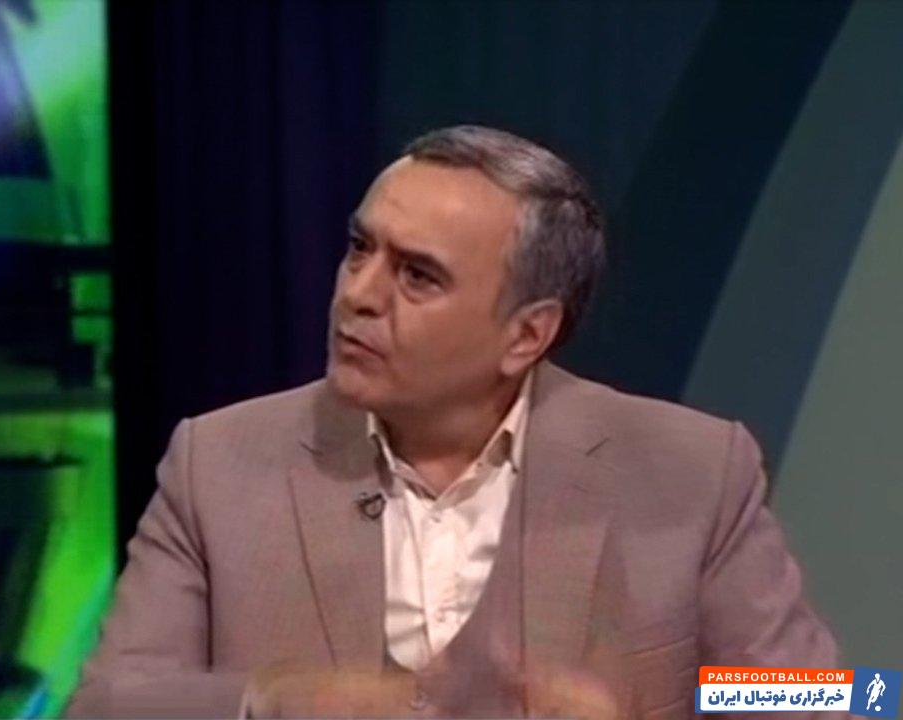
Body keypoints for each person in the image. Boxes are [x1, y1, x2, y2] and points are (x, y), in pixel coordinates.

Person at [65, 125, 840, 719]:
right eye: (359, 248)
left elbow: (844, 697)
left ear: (526, 335)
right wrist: (275, 698)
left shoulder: (693, 469)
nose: (358, 295)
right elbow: (104, 705)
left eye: (417, 275)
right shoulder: (218, 461)